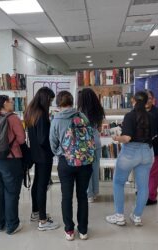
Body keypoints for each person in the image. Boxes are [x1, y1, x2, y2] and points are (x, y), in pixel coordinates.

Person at [106, 91, 154, 227]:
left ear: (133, 100)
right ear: (146, 102)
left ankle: (119, 216)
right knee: (143, 186)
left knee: (118, 182)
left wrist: (116, 138)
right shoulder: (151, 116)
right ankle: (137, 216)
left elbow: (126, 138)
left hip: (130, 152)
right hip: (147, 152)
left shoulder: (130, 116)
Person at [50, 91, 93, 241]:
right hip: (85, 161)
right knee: (82, 196)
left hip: (65, 162)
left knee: (66, 197)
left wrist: (62, 153)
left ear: (58, 103)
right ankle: (83, 230)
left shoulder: (56, 120)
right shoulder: (83, 116)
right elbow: (91, 137)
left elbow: (53, 144)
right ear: (72, 101)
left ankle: (69, 230)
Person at [0, 95, 25, 234]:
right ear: (4, 104)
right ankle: (12, 224)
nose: (13, 102)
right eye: (10, 101)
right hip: (9, 159)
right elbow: (21, 139)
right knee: (11, 192)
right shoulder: (12, 118)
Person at [24, 87, 59, 231]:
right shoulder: (42, 115)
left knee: (38, 183)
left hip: (35, 154)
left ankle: (36, 212)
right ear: (45, 99)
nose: (50, 103)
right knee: (42, 186)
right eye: (50, 100)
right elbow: (43, 138)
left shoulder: (31, 112)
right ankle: (43, 221)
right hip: (44, 155)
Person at [77, 88, 105, 203]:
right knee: (95, 168)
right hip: (96, 141)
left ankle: (88, 194)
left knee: (86, 169)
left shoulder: (80, 113)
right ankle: (95, 193)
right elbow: (99, 128)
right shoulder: (99, 110)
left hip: (85, 143)